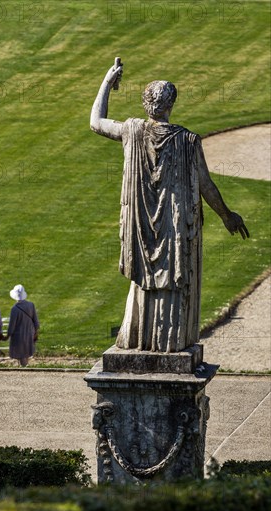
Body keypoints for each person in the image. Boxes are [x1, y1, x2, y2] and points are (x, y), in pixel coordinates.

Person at [90, 62, 249, 353]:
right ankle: (169, 341)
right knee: (172, 284)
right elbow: (206, 186)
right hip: (173, 232)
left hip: (142, 231)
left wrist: (106, 82)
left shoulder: (132, 131)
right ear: (171, 104)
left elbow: (96, 121)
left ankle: (138, 338)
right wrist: (227, 215)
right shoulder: (187, 141)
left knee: (144, 284)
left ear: (146, 104)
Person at [6, 284, 39, 366]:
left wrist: (8, 335)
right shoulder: (31, 305)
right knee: (26, 354)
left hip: (18, 335)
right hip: (29, 333)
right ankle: (25, 367)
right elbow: (36, 321)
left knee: (21, 355)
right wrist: (36, 332)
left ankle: (23, 368)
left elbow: (12, 325)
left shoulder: (15, 309)